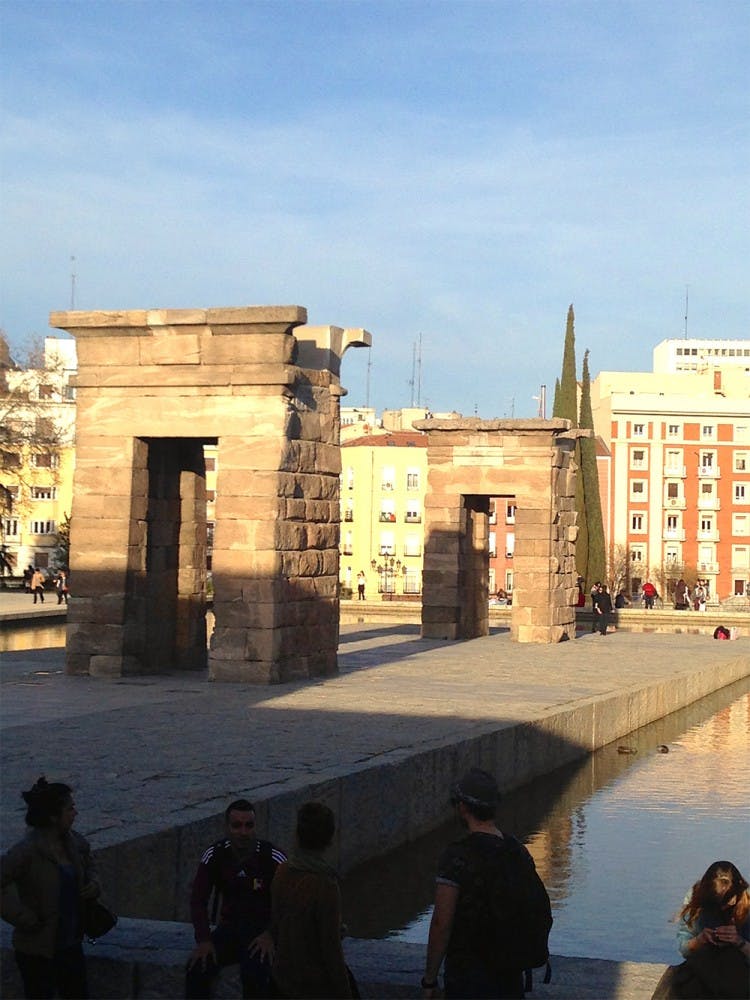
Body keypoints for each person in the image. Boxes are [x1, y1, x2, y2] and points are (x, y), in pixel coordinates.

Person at [422, 769, 551, 1000]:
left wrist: (429, 980)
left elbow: (442, 922)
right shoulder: (516, 850)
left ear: (462, 808)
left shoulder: (457, 856)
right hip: (510, 976)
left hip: (468, 977)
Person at [0, 776, 100, 999]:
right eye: (70, 808)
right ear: (54, 817)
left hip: (71, 946)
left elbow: (91, 863)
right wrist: (23, 917)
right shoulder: (26, 851)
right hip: (37, 950)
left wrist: (93, 884)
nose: (75, 813)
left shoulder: (74, 842)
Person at [186, 799, 286, 999]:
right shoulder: (215, 854)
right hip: (229, 929)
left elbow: (289, 901)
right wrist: (204, 939)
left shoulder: (271, 857)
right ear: (227, 827)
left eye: (249, 825)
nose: (243, 831)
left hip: (261, 932)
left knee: (254, 976)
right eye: (237, 825)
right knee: (197, 968)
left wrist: (271, 934)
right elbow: (198, 899)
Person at [270, 802, 354, 999]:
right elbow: (331, 950)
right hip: (312, 986)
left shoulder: (282, 871)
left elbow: (278, 923)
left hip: (282, 980)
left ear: (297, 835)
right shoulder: (325, 884)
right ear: (330, 838)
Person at [652, 861, 750, 999]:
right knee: (677, 983)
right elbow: (684, 948)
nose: (723, 908)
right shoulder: (697, 896)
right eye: (716, 903)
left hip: (740, 970)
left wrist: (739, 942)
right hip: (705, 965)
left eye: (728, 901)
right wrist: (700, 940)